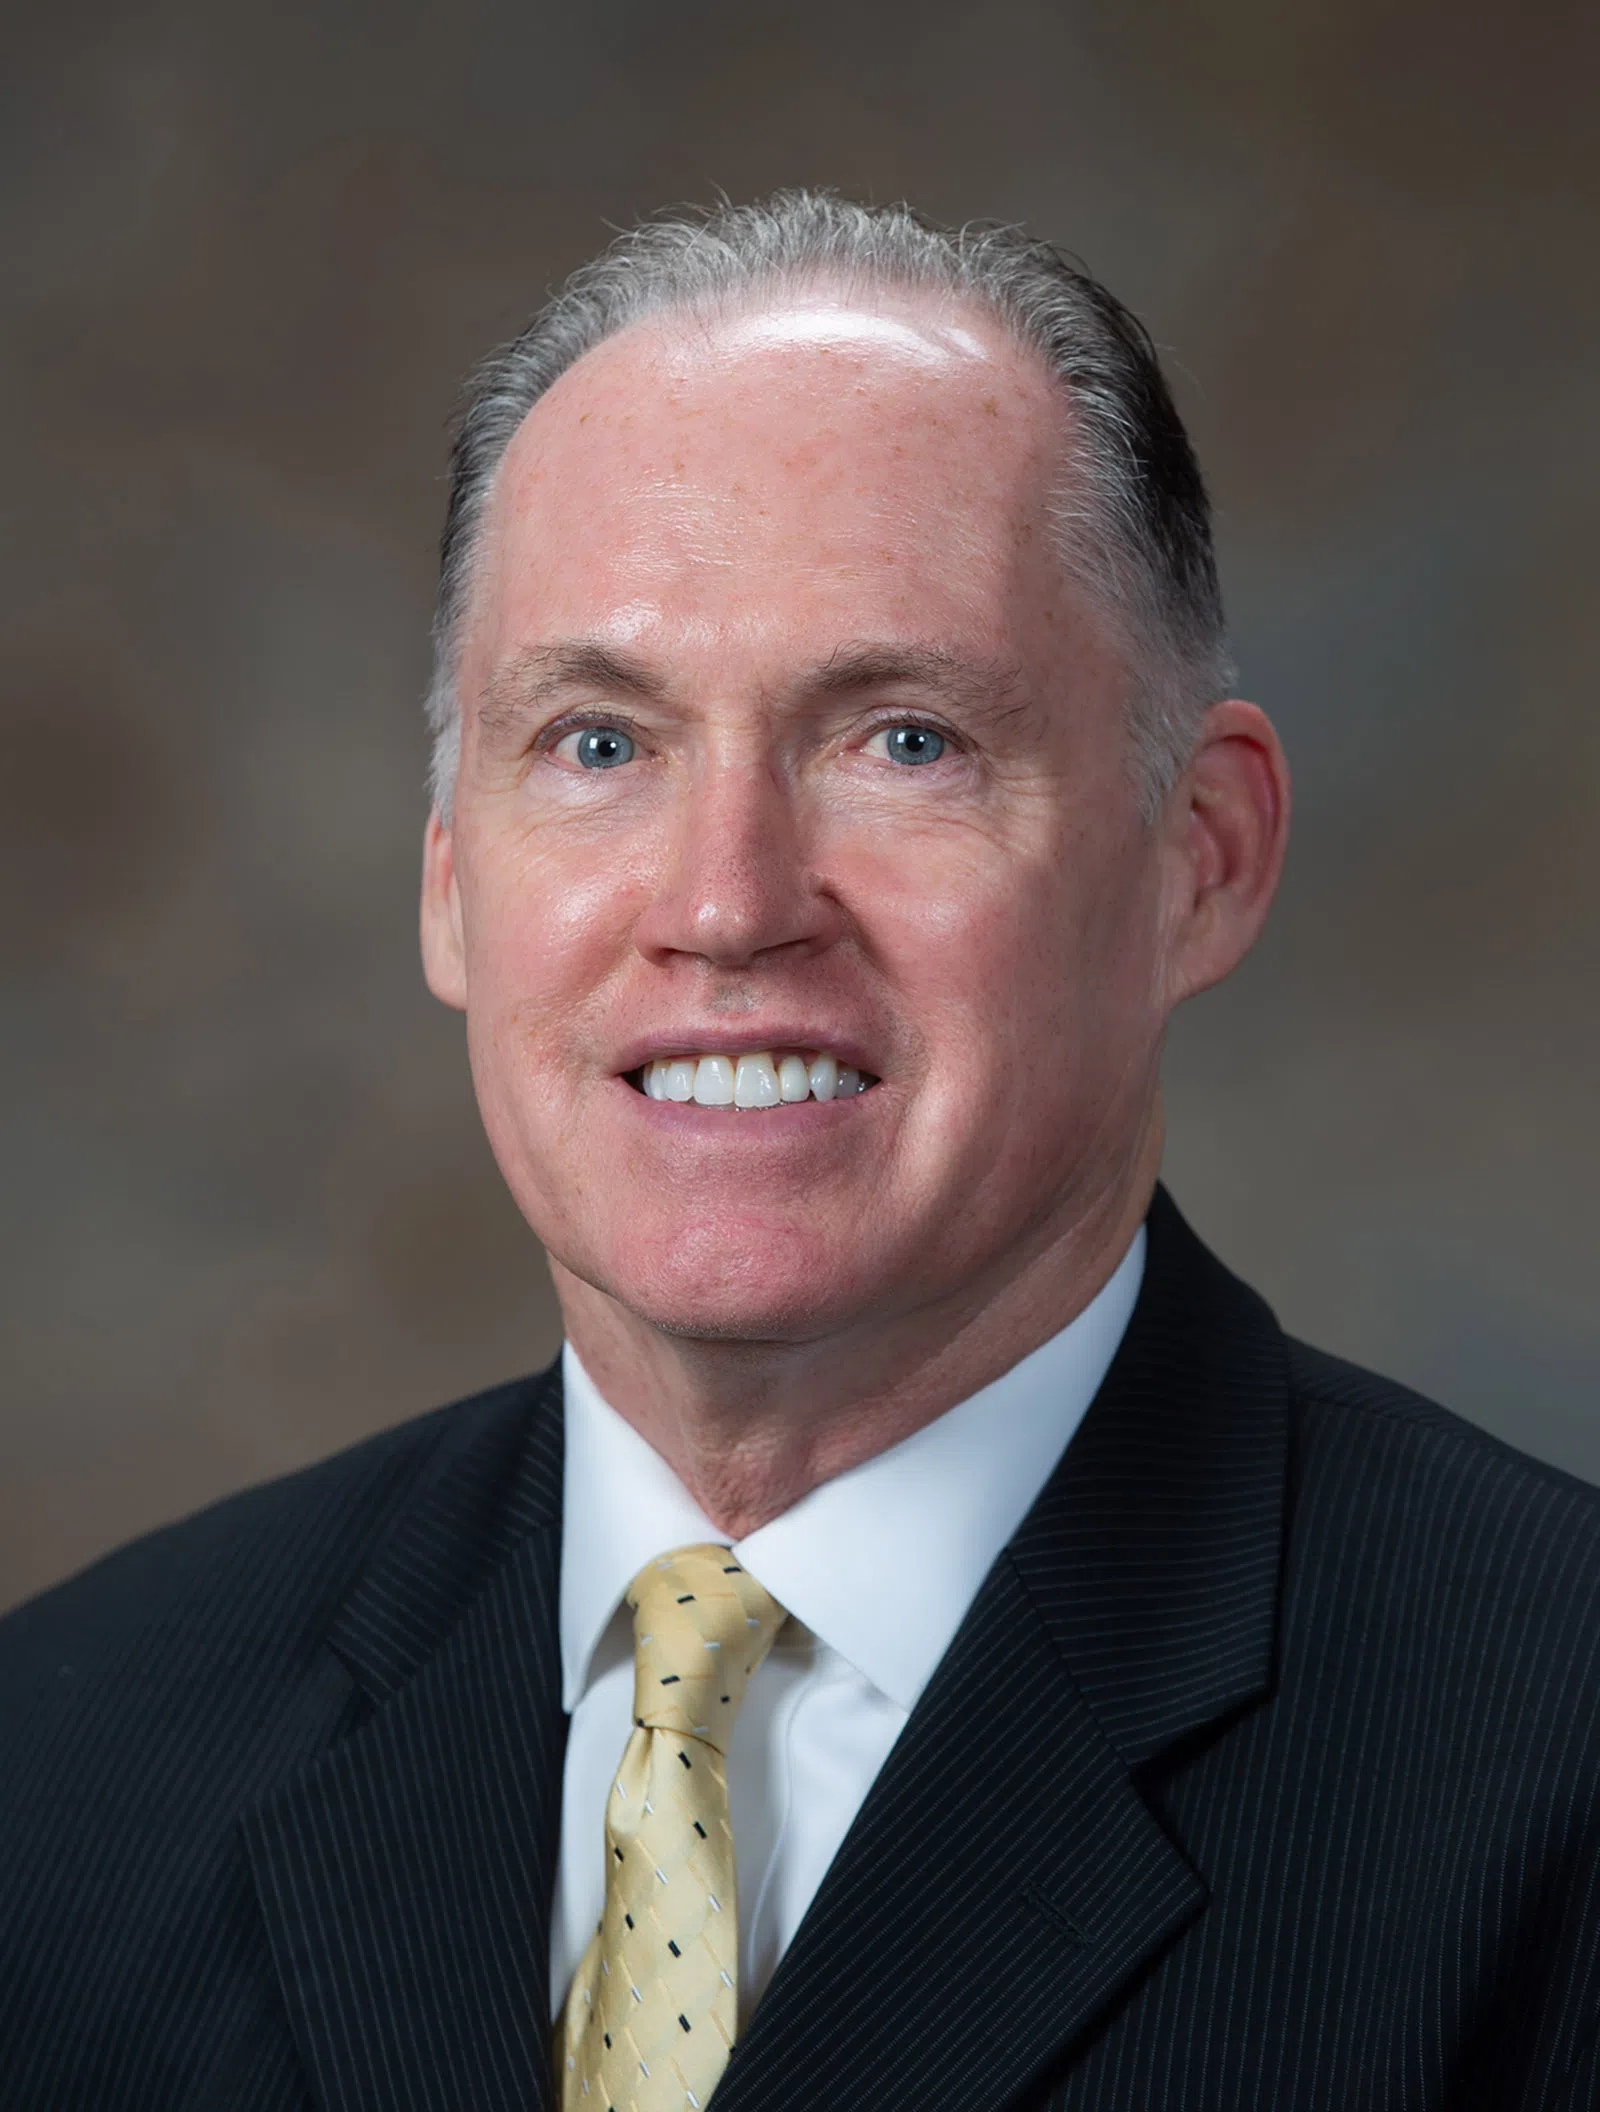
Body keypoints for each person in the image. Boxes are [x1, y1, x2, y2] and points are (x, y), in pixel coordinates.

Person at [2, 191, 1598, 2112]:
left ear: (1202, 857)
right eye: (600, 744)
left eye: (903, 740)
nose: (726, 904)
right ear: (448, 885)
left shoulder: (1551, 1757)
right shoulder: (66, 1762)